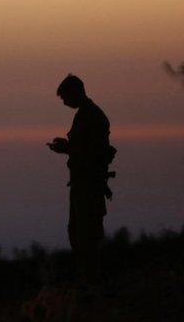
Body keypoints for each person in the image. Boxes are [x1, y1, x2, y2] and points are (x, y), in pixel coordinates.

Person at [48, 74, 113, 284]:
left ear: (75, 92)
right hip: (80, 184)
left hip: (89, 185)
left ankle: (92, 281)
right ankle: (86, 279)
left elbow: (93, 151)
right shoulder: (85, 115)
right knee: (77, 234)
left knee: (87, 236)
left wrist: (66, 148)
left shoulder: (93, 116)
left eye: (65, 97)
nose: (65, 103)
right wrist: (66, 148)